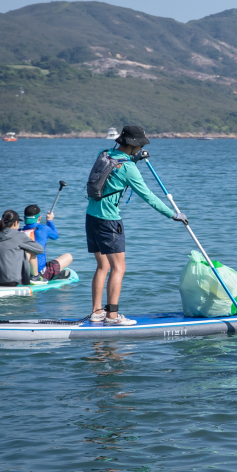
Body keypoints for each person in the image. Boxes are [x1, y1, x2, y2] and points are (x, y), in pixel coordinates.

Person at [85, 125, 188, 326]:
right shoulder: (129, 169)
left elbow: (117, 165)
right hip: (109, 221)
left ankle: (97, 312)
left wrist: (135, 158)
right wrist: (173, 214)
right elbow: (148, 196)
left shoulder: (104, 154)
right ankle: (112, 317)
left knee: (102, 266)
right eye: (139, 145)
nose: (140, 147)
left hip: (91, 217)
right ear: (133, 144)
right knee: (118, 268)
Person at [0, 210, 44, 286]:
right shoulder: (19, 235)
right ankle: (35, 277)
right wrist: (27, 242)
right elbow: (40, 250)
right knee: (30, 251)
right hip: (9, 281)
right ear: (15, 223)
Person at [20, 203, 73, 282]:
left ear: (24, 218)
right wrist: (49, 221)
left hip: (22, 272)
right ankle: (51, 276)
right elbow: (55, 236)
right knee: (69, 256)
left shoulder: (18, 232)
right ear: (39, 218)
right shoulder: (44, 228)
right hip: (40, 273)